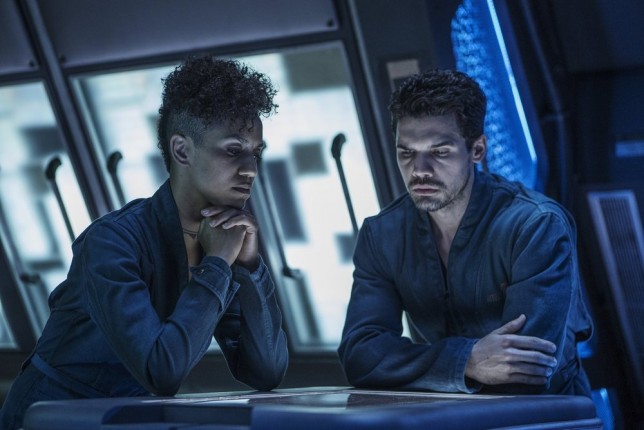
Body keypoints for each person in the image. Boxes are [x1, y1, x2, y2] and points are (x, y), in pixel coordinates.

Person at [0, 55, 289, 430]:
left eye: (256, 153)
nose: (250, 169)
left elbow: (265, 372)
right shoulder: (110, 242)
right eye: (233, 150)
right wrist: (218, 265)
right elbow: (161, 370)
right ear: (181, 150)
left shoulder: (220, 239)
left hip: (130, 417)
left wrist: (249, 268)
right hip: (50, 417)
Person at [338, 69, 593, 396]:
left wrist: (418, 366)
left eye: (440, 152)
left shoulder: (535, 226)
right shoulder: (382, 235)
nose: (420, 171)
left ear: (477, 150)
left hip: (551, 414)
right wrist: (467, 360)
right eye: (407, 153)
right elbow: (360, 356)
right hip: (451, 413)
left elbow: (525, 369)